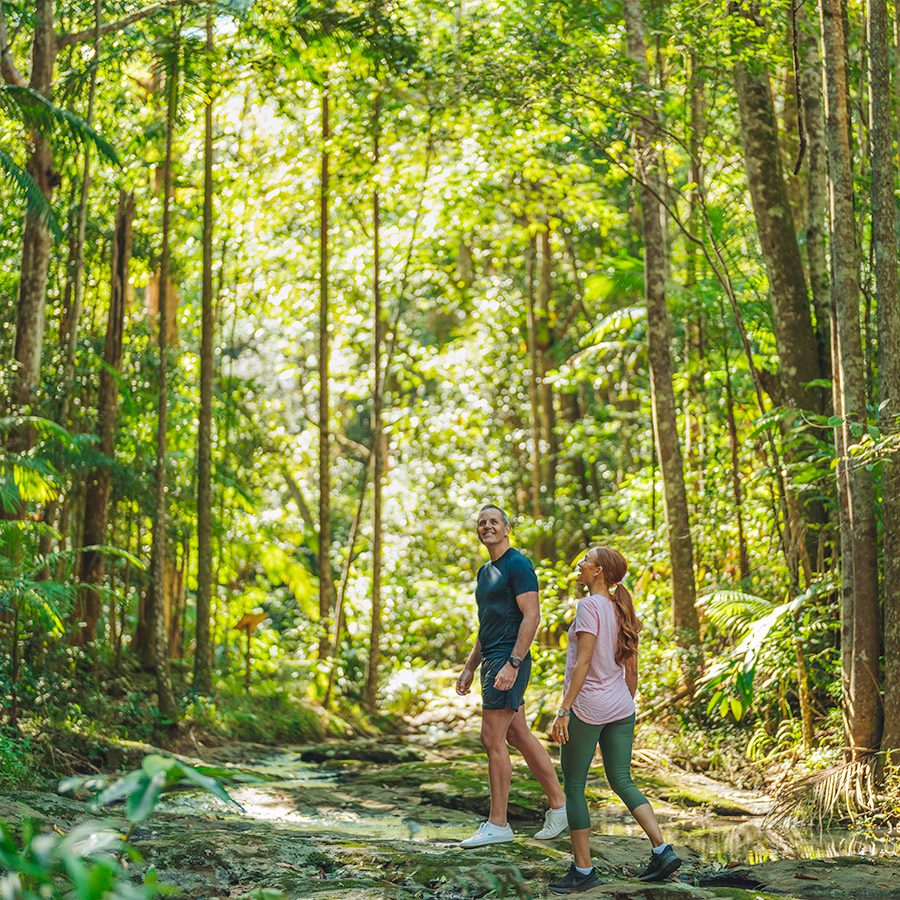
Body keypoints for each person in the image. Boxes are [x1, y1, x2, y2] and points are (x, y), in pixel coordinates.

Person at [547, 546, 681, 893]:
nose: (580, 564)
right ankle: (662, 850)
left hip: (588, 708)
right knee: (622, 779)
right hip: (621, 706)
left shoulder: (589, 606)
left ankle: (583, 870)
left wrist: (564, 710)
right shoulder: (622, 608)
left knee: (574, 786)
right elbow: (632, 670)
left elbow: (583, 662)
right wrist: (620, 701)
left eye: (586, 561)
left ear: (600, 572)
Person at [455, 504, 568, 848]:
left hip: (508, 661)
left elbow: (531, 616)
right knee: (517, 733)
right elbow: (486, 625)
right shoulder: (485, 571)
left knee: (491, 739)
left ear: (506, 528)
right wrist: (471, 665)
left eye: (493, 522)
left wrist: (513, 663)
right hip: (492, 659)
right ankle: (561, 807)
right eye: (482, 522)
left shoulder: (518, 565)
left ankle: (498, 823)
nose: (487, 526)